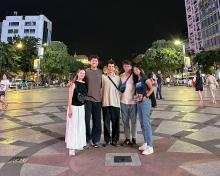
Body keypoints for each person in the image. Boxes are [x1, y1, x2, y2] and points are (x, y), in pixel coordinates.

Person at [133, 65, 154, 155]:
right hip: (139, 102)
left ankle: (150, 146)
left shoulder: (145, 78)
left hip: (145, 102)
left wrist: (147, 96)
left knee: (146, 123)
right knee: (142, 123)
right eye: (134, 70)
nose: (135, 71)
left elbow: (152, 88)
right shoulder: (137, 80)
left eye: (137, 69)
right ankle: (146, 143)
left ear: (140, 69)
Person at [65, 69, 87, 156]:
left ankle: (79, 144)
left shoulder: (85, 84)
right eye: (81, 73)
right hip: (73, 107)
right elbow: (70, 97)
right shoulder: (73, 84)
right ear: (77, 74)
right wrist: (70, 109)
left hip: (81, 108)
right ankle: (71, 147)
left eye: (83, 73)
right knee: (72, 127)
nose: (82, 74)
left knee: (80, 126)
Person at [102, 59, 121, 147]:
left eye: (112, 66)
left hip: (116, 103)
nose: (110, 68)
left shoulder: (118, 78)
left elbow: (122, 90)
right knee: (106, 123)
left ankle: (115, 140)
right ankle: (107, 140)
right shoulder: (103, 77)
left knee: (115, 122)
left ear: (114, 68)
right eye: (109, 66)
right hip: (106, 103)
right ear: (107, 67)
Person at [85, 55, 102, 148]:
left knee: (97, 121)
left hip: (98, 100)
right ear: (90, 62)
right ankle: (87, 139)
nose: (94, 62)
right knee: (86, 121)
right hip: (88, 100)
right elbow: (77, 79)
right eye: (92, 60)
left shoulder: (100, 72)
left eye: (96, 60)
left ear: (98, 62)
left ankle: (96, 140)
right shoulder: (86, 71)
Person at [120, 60, 137, 146]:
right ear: (123, 67)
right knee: (125, 121)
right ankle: (127, 138)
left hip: (133, 102)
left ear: (131, 66)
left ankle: (134, 137)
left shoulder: (134, 75)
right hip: (123, 101)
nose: (126, 68)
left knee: (133, 121)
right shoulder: (121, 76)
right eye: (125, 66)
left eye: (128, 66)